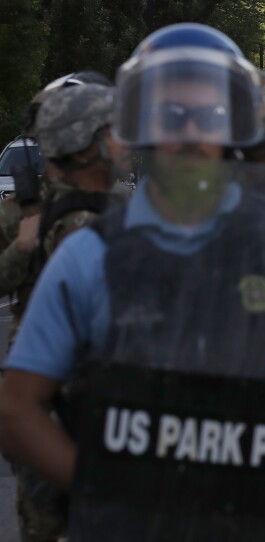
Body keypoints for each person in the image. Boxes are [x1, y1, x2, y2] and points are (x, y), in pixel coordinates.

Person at [0, 22, 265, 540]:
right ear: (139, 123)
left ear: (234, 123)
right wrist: (111, 487)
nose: (191, 131)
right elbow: (18, 406)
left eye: (209, 113)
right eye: (170, 113)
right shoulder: (92, 253)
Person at [1, 80, 124, 542]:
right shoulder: (23, 212)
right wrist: (21, 249)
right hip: (45, 376)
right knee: (49, 517)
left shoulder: (119, 207)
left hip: (111, 383)